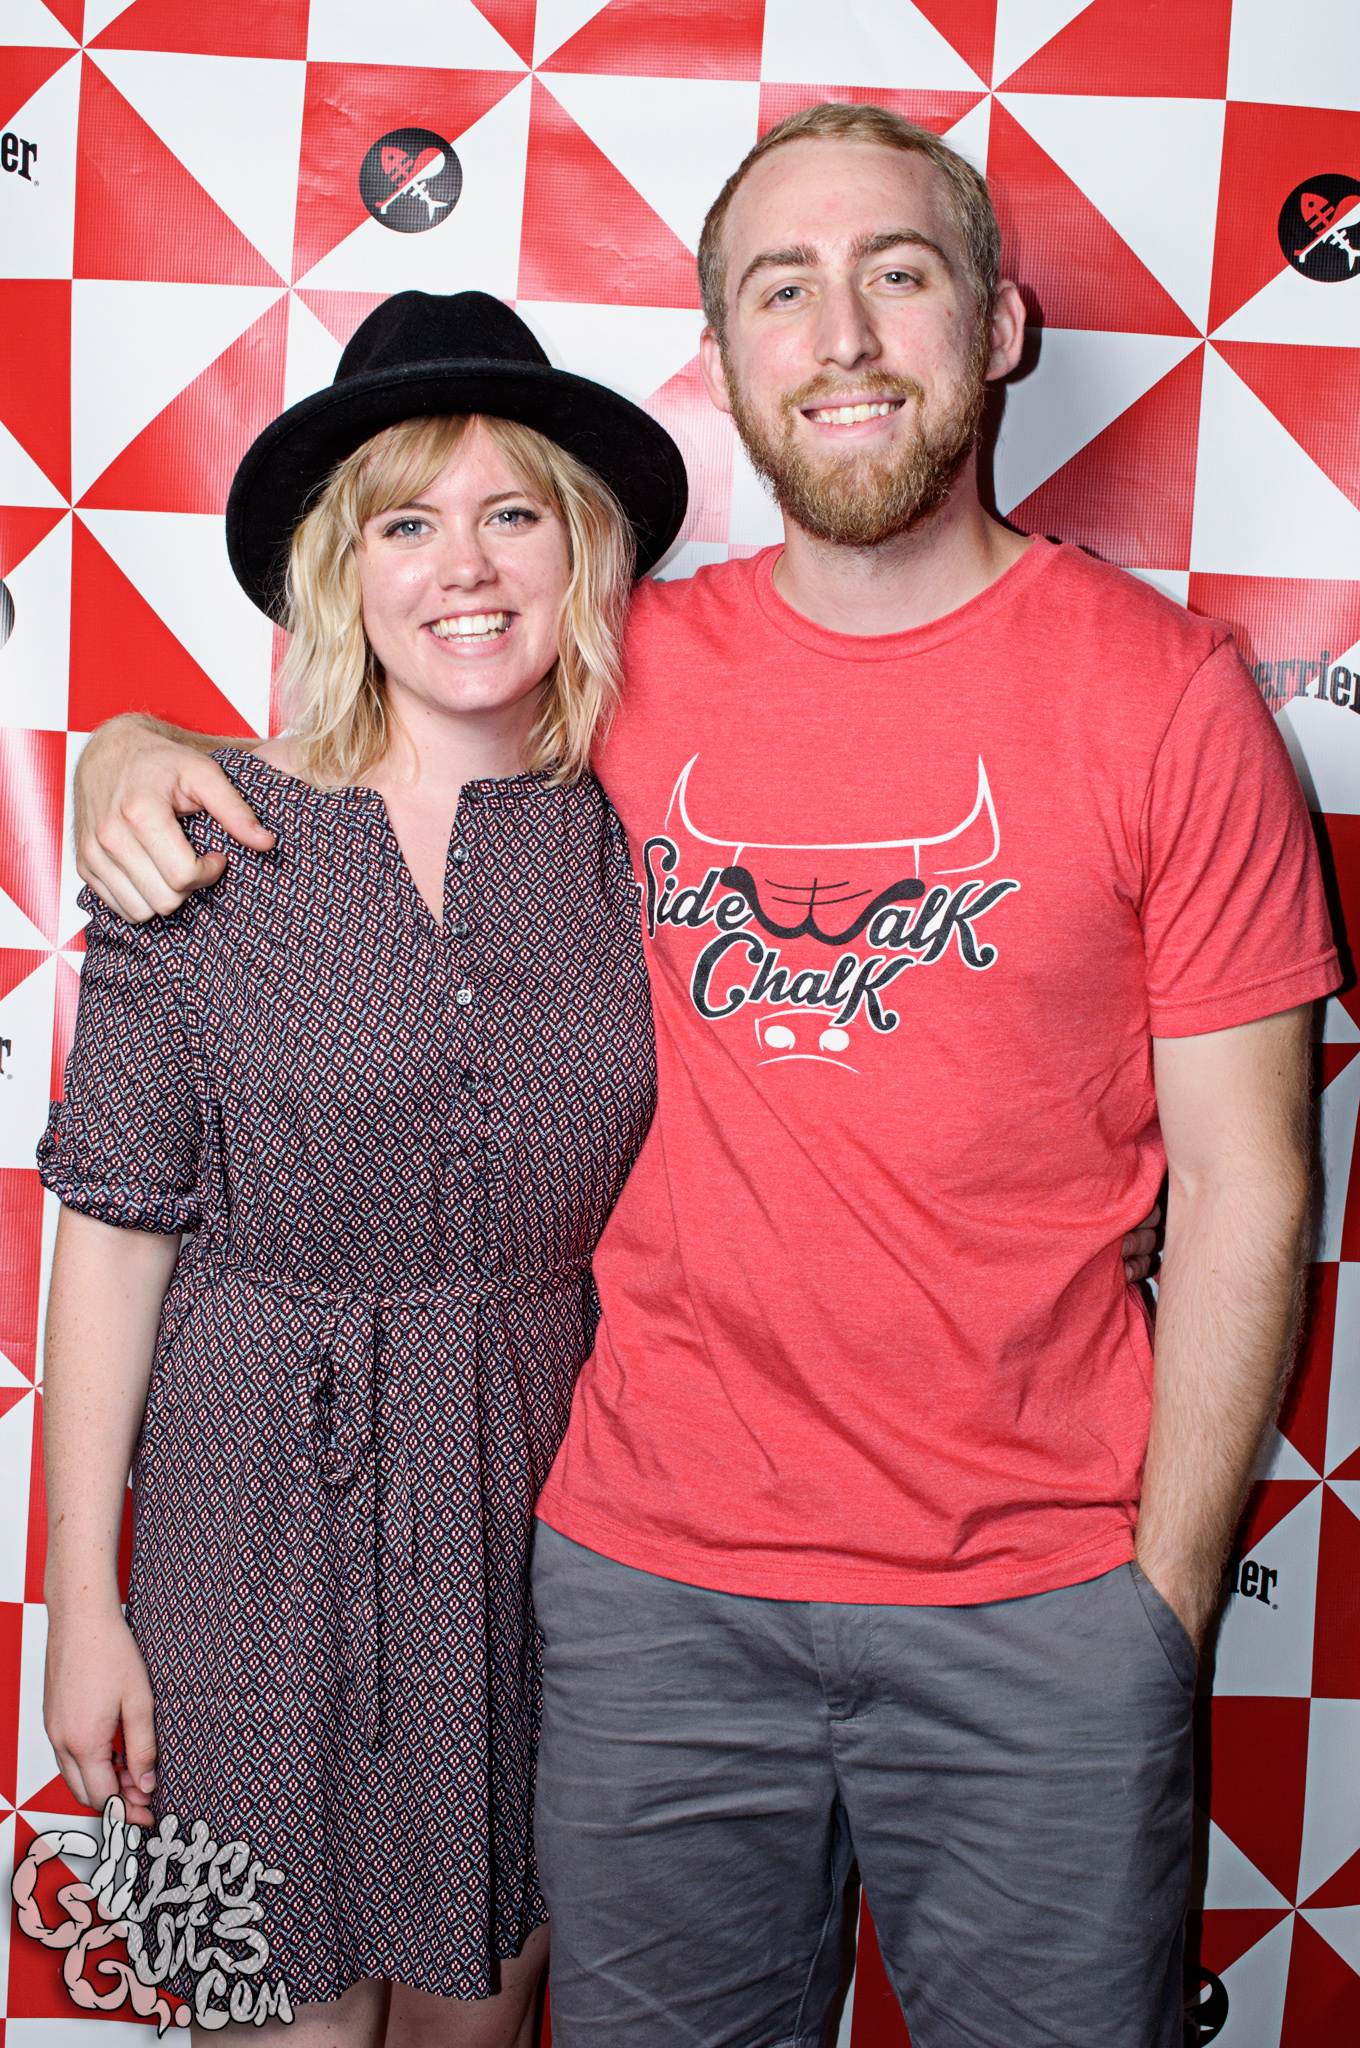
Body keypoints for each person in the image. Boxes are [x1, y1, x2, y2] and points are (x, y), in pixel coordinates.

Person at [66, 103, 1278, 2048]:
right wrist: (118, 748)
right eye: (782, 289)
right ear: (721, 360)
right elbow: (131, 1186)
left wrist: (1161, 1603)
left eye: (896, 272)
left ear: (997, 325)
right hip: (568, 1588)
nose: (843, 334)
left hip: (954, 1596)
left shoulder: (1128, 698)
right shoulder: (574, 699)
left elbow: (1246, 1183)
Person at [37, 290, 687, 2046]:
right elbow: (110, 1239)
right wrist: (80, 1605)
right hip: (234, 1521)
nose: (461, 567)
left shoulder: (650, 836)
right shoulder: (202, 832)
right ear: (341, 568)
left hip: (547, 1514)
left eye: (512, 512)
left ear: (582, 547)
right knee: (274, 2025)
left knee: (483, 2013)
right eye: (406, 522)